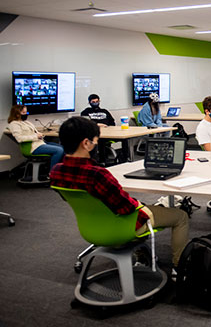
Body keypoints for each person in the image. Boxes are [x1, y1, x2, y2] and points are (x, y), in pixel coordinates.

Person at [49, 117, 189, 279]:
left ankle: (142, 257)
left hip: (91, 226)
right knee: (180, 216)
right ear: (86, 143)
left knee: (145, 206)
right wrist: (140, 205)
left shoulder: (56, 171)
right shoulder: (98, 174)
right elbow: (126, 208)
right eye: (96, 141)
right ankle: (180, 268)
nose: (96, 145)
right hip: (122, 226)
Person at [7, 105, 64, 169]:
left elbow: (34, 132)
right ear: (17, 114)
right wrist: (36, 136)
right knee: (59, 150)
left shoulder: (27, 122)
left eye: (26, 112)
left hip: (40, 143)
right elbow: (20, 138)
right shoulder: (14, 124)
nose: (26, 114)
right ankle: (52, 173)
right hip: (33, 147)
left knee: (64, 148)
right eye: (23, 113)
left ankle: (62, 171)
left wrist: (39, 135)